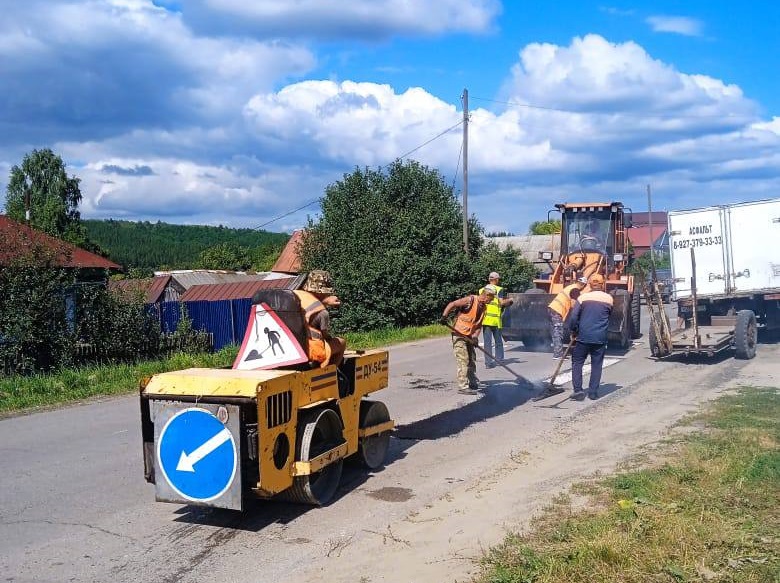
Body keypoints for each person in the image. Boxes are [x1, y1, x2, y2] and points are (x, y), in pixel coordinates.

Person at [565, 273, 613, 400]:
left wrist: (573, 331)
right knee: (596, 365)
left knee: (577, 362)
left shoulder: (582, 298)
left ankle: (578, 391)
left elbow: (574, 317)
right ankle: (593, 392)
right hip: (600, 338)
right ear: (602, 284)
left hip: (583, 337)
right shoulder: (609, 299)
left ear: (590, 284)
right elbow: (608, 316)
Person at [442, 285, 497, 395]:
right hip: (459, 334)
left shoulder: (484, 308)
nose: (491, 301)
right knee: (463, 359)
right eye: (491, 298)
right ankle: (463, 386)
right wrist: (444, 316)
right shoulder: (470, 300)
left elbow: (478, 325)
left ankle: (472, 382)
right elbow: (452, 304)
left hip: (470, 336)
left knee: (472, 359)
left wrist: (476, 337)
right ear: (486, 295)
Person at [293, 270, 347, 368]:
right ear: (323, 292)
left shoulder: (294, 295)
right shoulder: (322, 313)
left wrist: (324, 301)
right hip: (309, 350)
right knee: (341, 342)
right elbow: (325, 336)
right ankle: (331, 374)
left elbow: (310, 304)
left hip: (292, 347)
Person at [547, 276, 588, 358]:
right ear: (584, 285)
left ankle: (558, 352)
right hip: (557, 311)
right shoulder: (575, 290)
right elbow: (574, 305)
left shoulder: (571, 287)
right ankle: (558, 354)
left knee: (556, 332)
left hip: (553, 309)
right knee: (558, 332)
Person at [479, 272, 514, 368]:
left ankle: (488, 363)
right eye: (498, 279)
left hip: (485, 320)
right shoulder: (499, 289)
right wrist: (510, 300)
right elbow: (502, 303)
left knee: (487, 343)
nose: (498, 281)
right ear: (495, 279)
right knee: (498, 341)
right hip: (495, 320)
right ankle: (500, 360)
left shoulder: (481, 290)